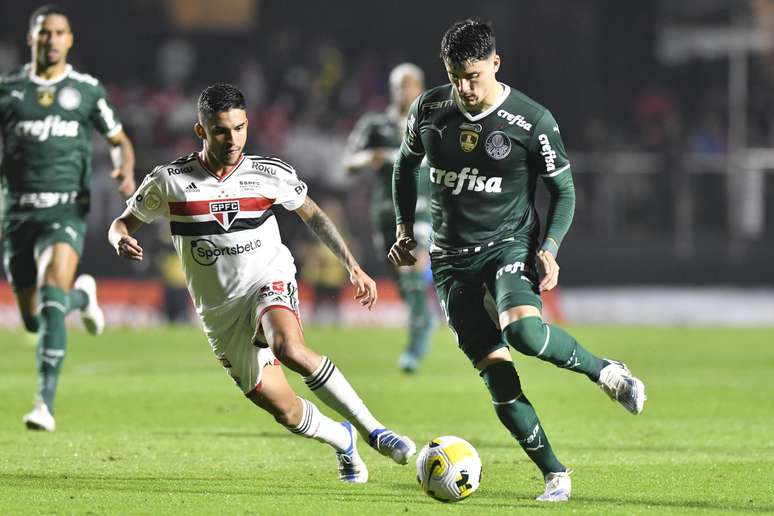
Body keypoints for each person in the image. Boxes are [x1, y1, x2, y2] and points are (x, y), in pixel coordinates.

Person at [389, 19, 647, 502]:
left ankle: (607, 372)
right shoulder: (429, 109)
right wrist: (405, 229)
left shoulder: (532, 121)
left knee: (524, 334)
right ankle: (555, 474)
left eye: (473, 75)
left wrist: (548, 248)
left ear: (495, 63)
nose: (464, 88)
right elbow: (405, 166)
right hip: (449, 261)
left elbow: (563, 190)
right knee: (497, 377)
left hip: (509, 245)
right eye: (454, 76)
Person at [108, 83, 415, 483]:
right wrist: (119, 239)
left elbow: (314, 214)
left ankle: (375, 431)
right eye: (221, 130)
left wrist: (352, 266)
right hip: (220, 312)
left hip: (268, 278)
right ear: (202, 131)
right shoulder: (170, 181)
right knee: (286, 410)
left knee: (287, 347)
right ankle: (342, 439)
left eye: (239, 128)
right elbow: (122, 223)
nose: (232, 138)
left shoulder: (268, 173)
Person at [0, 4, 136, 431]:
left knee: (50, 292)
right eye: (44, 33)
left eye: (59, 32)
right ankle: (84, 297)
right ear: (32, 39)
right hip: (18, 215)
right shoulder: (9, 91)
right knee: (35, 317)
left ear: (69, 40)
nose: (52, 40)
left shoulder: (86, 90)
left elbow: (118, 139)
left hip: (65, 209)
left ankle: (44, 404)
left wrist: (124, 169)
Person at [344, 63, 435, 373]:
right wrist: (371, 157)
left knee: (412, 265)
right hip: (386, 210)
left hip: (422, 209)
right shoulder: (375, 124)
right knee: (401, 275)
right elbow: (348, 163)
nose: (403, 91)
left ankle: (416, 343)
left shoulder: (433, 121)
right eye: (398, 85)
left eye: (409, 85)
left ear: (420, 88)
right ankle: (422, 316)